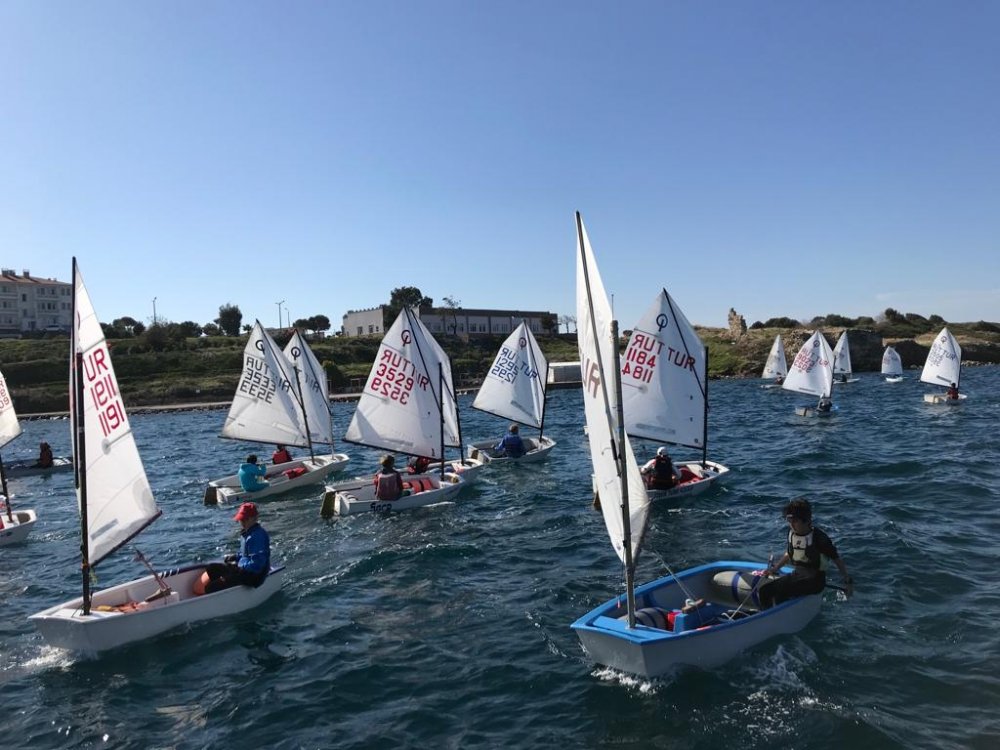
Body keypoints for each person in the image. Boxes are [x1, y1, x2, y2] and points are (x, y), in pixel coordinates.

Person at [758, 497, 853, 609]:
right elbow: (789, 553)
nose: (792, 525)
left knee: (764, 591)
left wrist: (848, 582)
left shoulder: (819, 538)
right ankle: (780, 613)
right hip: (798, 575)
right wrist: (774, 569)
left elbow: (836, 559)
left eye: (795, 521)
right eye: (789, 520)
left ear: (807, 520)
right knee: (779, 595)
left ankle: (768, 616)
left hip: (814, 581)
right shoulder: (792, 533)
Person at [193, 502, 271, 595]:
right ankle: (207, 590)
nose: (242, 522)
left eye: (245, 519)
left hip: (253, 577)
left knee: (212, 587)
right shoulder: (247, 533)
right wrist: (236, 557)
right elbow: (245, 554)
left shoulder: (258, 536)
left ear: (254, 518)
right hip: (243, 570)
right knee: (212, 568)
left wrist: (239, 568)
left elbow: (257, 565)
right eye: (241, 519)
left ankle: (210, 593)